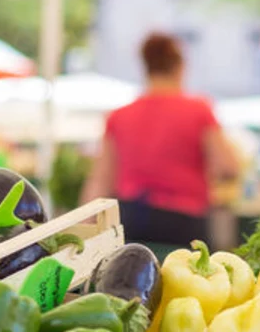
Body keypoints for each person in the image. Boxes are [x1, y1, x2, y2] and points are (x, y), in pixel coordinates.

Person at [84, 33, 238, 247]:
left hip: (132, 218)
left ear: (146, 67)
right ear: (180, 67)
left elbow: (100, 179)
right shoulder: (198, 110)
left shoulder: (119, 116)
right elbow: (229, 167)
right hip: (184, 220)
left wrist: (86, 229)